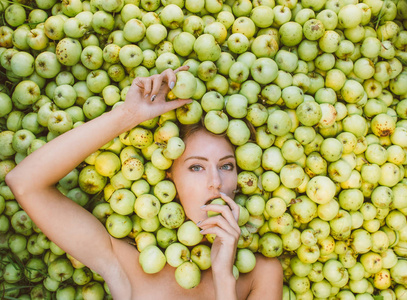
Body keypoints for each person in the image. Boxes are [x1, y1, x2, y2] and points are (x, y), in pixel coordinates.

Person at [5, 66, 283, 299]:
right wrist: (127, 116)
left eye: (226, 166)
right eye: (196, 167)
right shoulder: (129, 264)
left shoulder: (260, 273)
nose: (215, 182)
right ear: (169, 178)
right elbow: (25, 182)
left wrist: (224, 279)